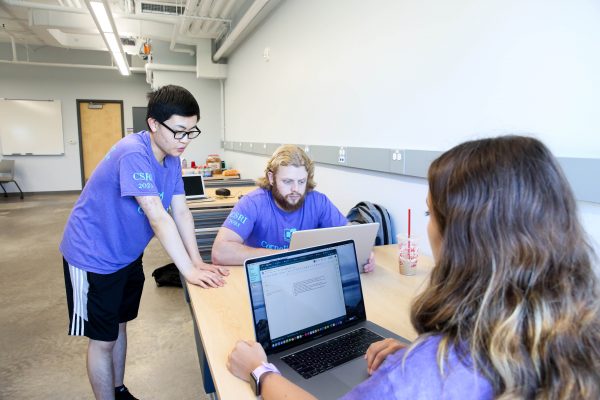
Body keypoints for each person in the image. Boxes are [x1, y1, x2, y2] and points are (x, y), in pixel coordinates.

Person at [227, 135, 600, 399]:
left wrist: (261, 372)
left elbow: (346, 235)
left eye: (429, 212)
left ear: (464, 236)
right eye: (287, 180)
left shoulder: (429, 371)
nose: (295, 187)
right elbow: (222, 249)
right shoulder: (579, 336)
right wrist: (412, 353)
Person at [60, 85, 230, 400]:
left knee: (121, 325)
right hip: (92, 256)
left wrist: (196, 262)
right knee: (102, 339)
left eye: (191, 132)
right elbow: (158, 216)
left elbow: (180, 211)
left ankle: (119, 390)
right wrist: (187, 272)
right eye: (179, 131)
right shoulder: (133, 153)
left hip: (127, 253)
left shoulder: (172, 157)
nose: (185, 141)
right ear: (154, 123)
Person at [211, 145, 375, 271]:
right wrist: (287, 256)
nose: (296, 189)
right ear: (271, 177)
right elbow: (220, 252)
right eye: (287, 181)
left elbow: (351, 237)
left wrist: (364, 253)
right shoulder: (252, 203)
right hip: (263, 276)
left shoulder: (318, 202)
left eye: (301, 181)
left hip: (306, 277)